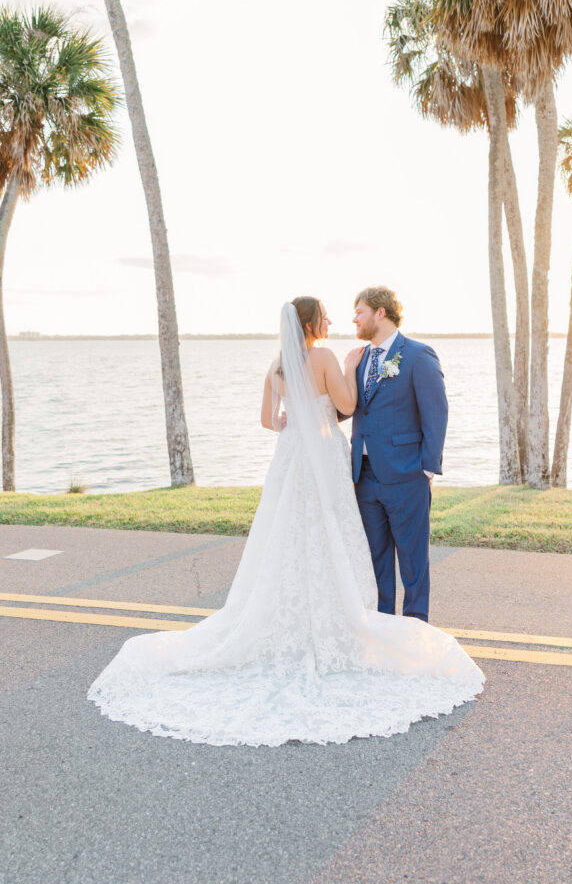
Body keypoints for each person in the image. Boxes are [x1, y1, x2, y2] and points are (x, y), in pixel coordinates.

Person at [87, 297, 484, 747]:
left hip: (292, 458)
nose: (338, 320)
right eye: (329, 316)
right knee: (334, 537)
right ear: (313, 322)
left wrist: (292, 421)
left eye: (352, 312)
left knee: (291, 540)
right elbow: (348, 404)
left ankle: (361, 624)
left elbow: (266, 420)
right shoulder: (330, 357)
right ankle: (372, 626)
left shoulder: (278, 366)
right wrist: (350, 369)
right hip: (328, 460)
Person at [351, 286, 447, 623]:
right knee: (375, 562)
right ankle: (382, 631)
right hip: (363, 478)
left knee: (413, 563)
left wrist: (426, 470)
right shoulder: (359, 359)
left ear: (380, 312)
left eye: (359, 311)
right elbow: (348, 407)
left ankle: (416, 633)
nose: (354, 319)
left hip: (407, 477)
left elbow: (436, 413)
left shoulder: (419, 356)